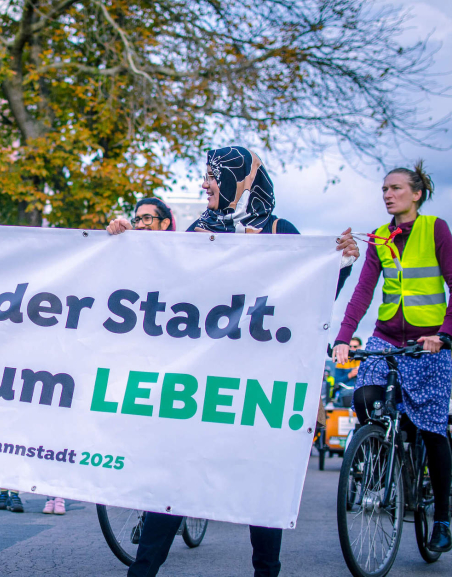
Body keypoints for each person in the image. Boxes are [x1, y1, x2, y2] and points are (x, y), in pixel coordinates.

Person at [108, 146, 359, 577]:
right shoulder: (200, 229)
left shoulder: (281, 231)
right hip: (199, 386)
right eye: (205, 175)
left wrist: (340, 264)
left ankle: (266, 571)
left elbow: (306, 305)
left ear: (240, 181)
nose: (205, 183)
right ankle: (142, 572)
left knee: (259, 489)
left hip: (255, 385)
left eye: (213, 175)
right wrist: (129, 240)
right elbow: (163, 288)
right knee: (173, 481)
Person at [334, 162, 452, 553]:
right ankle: (387, 455)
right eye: (384, 188)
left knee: (434, 429)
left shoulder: (436, 229)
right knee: (364, 397)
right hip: (386, 336)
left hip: (429, 341)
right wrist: (343, 338)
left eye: (396, 188)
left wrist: (444, 335)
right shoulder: (381, 238)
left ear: (416, 194)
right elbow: (363, 293)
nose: (387, 194)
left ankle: (443, 519)